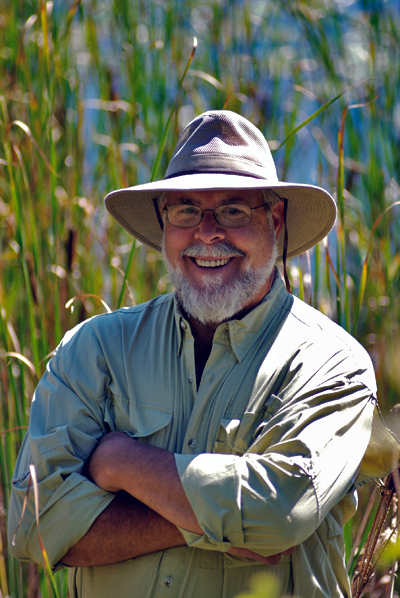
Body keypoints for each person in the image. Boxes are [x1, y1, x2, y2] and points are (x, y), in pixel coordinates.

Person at [7, 110, 390, 598]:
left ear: (275, 220)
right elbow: (33, 527)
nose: (207, 233)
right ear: (164, 223)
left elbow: (277, 513)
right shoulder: (95, 349)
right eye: (186, 210)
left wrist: (121, 462)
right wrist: (224, 523)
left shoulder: (330, 362)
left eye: (233, 210)